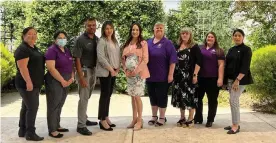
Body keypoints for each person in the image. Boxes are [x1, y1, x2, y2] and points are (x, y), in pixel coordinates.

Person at [14, 27, 44, 141]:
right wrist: (29, 82)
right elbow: (23, 68)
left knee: (26, 107)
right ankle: (30, 133)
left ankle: (22, 130)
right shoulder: (22, 49)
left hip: (33, 83)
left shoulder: (33, 48)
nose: (33, 36)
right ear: (23, 35)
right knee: (32, 107)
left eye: (35, 34)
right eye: (30, 34)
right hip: (26, 83)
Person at [147, 22, 177, 126]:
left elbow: (173, 60)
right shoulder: (148, 42)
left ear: (163, 30)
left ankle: (162, 117)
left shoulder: (167, 43)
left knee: (162, 97)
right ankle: (154, 116)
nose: (159, 29)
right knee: (152, 96)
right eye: (157, 28)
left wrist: (170, 74)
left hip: (163, 76)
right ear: (153, 30)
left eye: (161, 28)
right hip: (150, 76)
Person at [45, 31, 74, 138]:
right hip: (55, 80)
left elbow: (71, 64)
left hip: (66, 79)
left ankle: (57, 125)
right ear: (55, 39)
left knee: (60, 103)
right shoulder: (51, 50)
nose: (62, 39)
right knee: (53, 104)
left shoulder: (66, 50)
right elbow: (51, 68)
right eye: (59, 37)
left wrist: (71, 77)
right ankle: (52, 129)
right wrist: (62, 80)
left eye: (64, 37)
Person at [72, 17, 99, 136]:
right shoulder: (80, 40)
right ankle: (81, 125)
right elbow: (77, 59)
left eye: (93, 25)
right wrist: (81, 77)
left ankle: (84, 118)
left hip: (93, 71)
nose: (91, 27)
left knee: (86, 97)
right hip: (84, 71)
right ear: (85, 26)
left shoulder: (97, 39)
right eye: (89, 25)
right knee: (83, 98)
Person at [223, 29, 253, 134]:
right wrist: (225, 81)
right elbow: (227, 66)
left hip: (239, 80)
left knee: (233, 101)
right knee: (233, 102)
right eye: (235, 35)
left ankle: (235, 126)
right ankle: (235, 123)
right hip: (230, 79)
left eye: (239, 35)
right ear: (233, 37)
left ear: (243, 37)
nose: (237, 37)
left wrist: (237, 80)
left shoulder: (246, 49)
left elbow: (245, 67)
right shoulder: (231, 49)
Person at [171, 28, 202, 128]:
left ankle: (191, 118)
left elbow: (199, 62)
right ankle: (182, 117)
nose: (184, 35)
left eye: (186, 33)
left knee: (190, 97)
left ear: (190, 35)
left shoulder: (194, 47)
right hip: (178, 76)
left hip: (189, 76)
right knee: (180, 97)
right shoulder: (176, 46)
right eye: (182, 33)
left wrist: (195, 75)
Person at [122, 22, 149, 130]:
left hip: (139, 74)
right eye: (133, 29)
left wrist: (136, 71)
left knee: (137, 97)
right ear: (131, 31)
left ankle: (139, 120)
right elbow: (123, 59)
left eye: (137, 30)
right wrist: (126, 71)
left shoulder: (143, 43)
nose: (135, 31)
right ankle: (134, 119)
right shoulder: (127, 43)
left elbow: (145, 59)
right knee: (132, 97)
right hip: (129, 75)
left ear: (140, 31)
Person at [194, 32, 225, 127]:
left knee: (212, 100)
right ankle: (198, 118)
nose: (210, 38)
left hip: (213, 79)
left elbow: (221, 65)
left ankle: (210, 119)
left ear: (215, 39)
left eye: (212, 37)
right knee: (198, 99)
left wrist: (220, 78)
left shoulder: (219, 51)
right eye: (208, 37)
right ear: (206, 38)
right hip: (200, 78)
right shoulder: (200, 48)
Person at [96, 20, 120, 131]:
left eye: (110, 28)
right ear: (103, 30)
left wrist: (118, 67)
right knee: (104, 95)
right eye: (106, 28)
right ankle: (102, 120)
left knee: (109, 95)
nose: (109, 30)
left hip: (114, 71)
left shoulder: (115, 41)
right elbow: (101, 57)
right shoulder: (102, 41)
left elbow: (117, 55)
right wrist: (110, 69)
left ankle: (106, 116)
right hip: (106, 72)